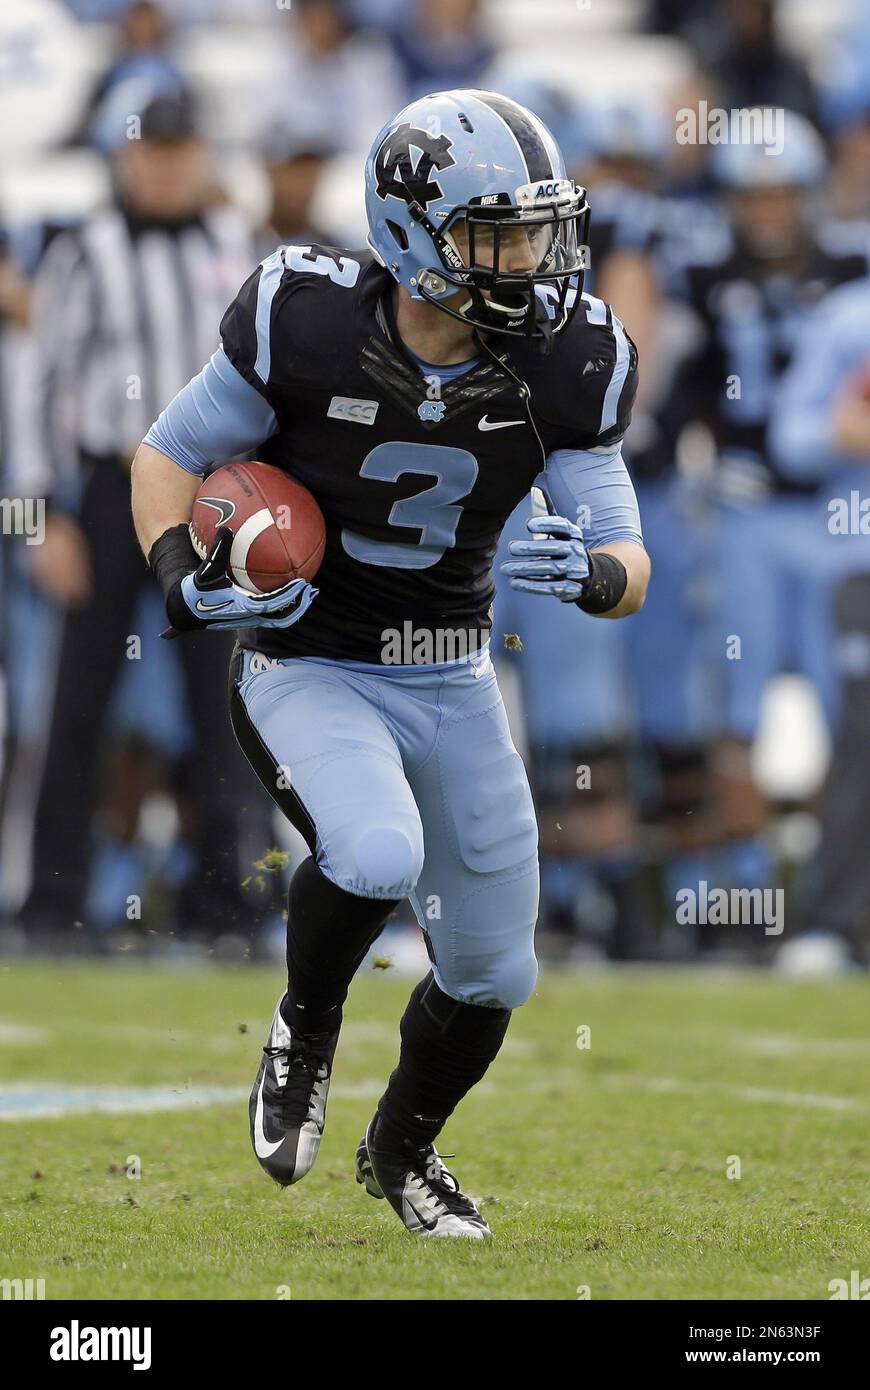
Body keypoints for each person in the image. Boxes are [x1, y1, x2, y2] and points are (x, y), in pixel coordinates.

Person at [132, 89, 649, 1238]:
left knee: (495, 976)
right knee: (372, 852)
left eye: (537, 228)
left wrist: (601, 577)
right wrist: (179, 578)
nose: (532, 258)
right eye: (499, 234)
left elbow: (624, 541)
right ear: (416, 235)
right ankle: (304, 1030)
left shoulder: (567, 355)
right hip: (310, 658)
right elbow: (166, 455)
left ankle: (403, 1154)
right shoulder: (303, 319)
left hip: (454, 674)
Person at [17, 91, 263, 945]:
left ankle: (229, 900)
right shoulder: (86, 247)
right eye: (151, 150)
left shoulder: (240, 243)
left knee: (227, 702)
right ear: (126, 157)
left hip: (215, 495)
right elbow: (37, 381)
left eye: (180, 149)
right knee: (78, 700)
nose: (165, 166)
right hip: (107, 485)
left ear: (204, 154)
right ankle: (52, 899)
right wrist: (42, 514)